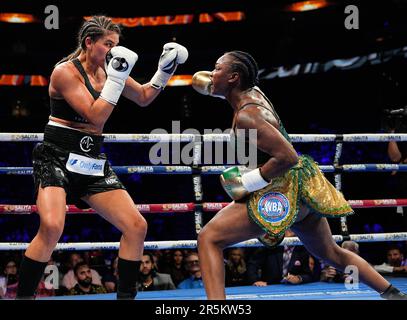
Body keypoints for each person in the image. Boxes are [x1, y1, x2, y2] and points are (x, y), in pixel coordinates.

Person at [192, 50, 407, 300]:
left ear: (234, 77)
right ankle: (391, 293)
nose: (211, 73)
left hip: (281, 192)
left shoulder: (246, 116)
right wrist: (214, 85)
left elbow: (288, 156)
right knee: (330, 253)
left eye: (217, 68)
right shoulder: (252, 94)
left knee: (209, 238)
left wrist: (248, 181)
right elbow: (228, 91)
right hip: (301, 187)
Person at [16, 15, 188, 300]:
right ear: (89, 42)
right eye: (107, 44)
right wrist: (117, 79)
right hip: (56, 157)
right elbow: (95, 116)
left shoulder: (111, 70)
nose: (112, 50)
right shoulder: (65, 72)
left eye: (115, 45)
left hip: (91, 159)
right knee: (52, 226)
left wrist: (165, 70)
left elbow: (144, 97)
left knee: (136, 226)